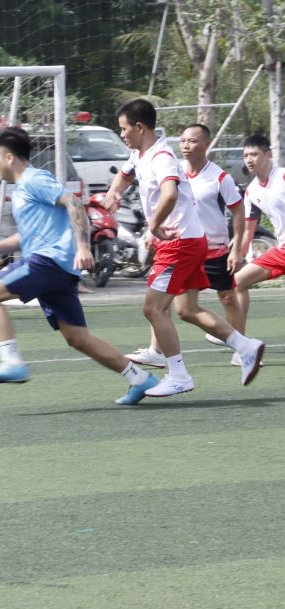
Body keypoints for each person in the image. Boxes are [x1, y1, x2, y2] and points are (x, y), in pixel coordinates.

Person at [0, 127, 161, 405]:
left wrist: (83, 247)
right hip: (54, 268)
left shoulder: (35, 179)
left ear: (9, 157)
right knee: (78, 338)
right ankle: (141, 380)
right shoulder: (22, 190)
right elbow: (28, 236)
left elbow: (74, 203)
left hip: (48, 262)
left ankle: (11, 362)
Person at [102, 99, 264, 395]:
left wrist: (153, 226)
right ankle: (246, 346)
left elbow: (169, 193)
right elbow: (125, 175)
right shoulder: (140, 153)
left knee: (153, 308)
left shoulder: (162, 157)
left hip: (181, 243)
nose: (122, 134)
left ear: (139, 127)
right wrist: (114, 192)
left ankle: (178, 376)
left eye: (124, 129)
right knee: (186, 309)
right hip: (189, 241)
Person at [126, 124, 248, 367]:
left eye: (192, 141)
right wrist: (154, 231)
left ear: (206, 144)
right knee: (165, 302)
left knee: (227, 298)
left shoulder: (220, 177)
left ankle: (243, 349)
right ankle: (157, 350)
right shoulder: (174, 170)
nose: (185, 146)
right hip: (181, 246)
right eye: (182, 141)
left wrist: (236, 249)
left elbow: (238, 210)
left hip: (213, 248)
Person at [225, 134, 285, 340]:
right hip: (282, 250)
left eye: (255, 154)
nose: (249, 159)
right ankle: (241, 343)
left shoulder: (283, 177)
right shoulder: (251, 191)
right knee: (238, 280)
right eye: (245, 155)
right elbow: (248, 230)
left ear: (268, 155)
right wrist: (237, 256)